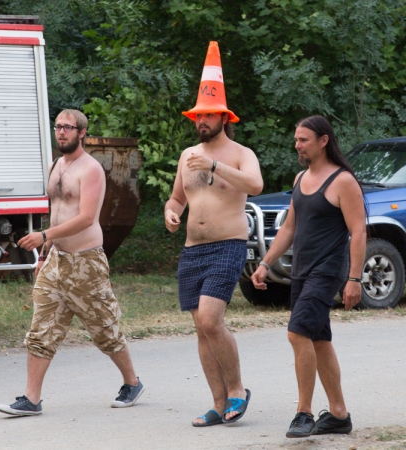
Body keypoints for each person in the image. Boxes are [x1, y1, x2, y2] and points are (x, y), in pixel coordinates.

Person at [0, 109, 144, 416]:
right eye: (58, 127)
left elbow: (85, 218)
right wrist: (46, 252)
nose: (61, 132)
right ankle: (31, 399)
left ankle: (132, 382)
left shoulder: (90, 170)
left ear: (82, 134)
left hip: (86, 262)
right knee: (41, 330)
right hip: (57, 260)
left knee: (105, 329)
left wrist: (43, 235)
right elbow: (58, 212)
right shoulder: (56, 165)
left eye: (68, 127)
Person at [164, 41, 263, 427]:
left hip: (228, 245)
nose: (201, 121)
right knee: (200, 330)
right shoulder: (187, 155)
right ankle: (218, 403)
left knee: (210, 320)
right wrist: (172, 214)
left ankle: (238, 390)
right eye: (197, 115)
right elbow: (176, 199)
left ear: (225, 117)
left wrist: (215, 165)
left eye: (208, 115)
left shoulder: (239, 153)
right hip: (192, 250)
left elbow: (254, 185)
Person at [251, 115, 365, 438]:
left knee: (297, 332)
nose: (297, 145)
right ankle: (339, 415)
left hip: (328, 271)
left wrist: (354, 279)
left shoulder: (342, 181)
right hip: (302, 271)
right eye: (296, 139)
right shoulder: (301, 178)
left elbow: (358, 232)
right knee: (318, 339)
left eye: (303, 140)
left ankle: (304, 412)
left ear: (323, 140)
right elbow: (289, 227)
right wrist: (265, 263)